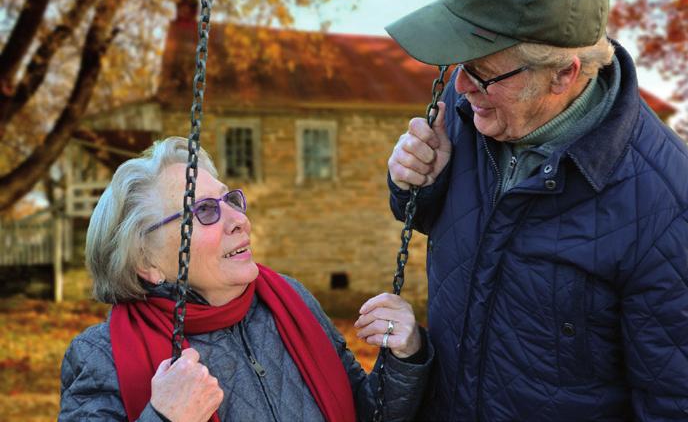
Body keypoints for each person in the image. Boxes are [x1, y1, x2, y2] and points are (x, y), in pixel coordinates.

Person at [385, 0, 688, 420]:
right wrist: (415, 182)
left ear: (563, 75)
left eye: (482, 74)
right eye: (459, 65)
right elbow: (435, 221)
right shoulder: (472, 107)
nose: (462, 86)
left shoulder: (676, 207)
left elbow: (684, 406)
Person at [60, 136, 432, 422]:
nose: (238, 219)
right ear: (146, 261)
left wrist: (403, 356)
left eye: (230, 200)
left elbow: (365, 412)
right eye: (204, 211)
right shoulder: (100, 355)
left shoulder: (290, 301)